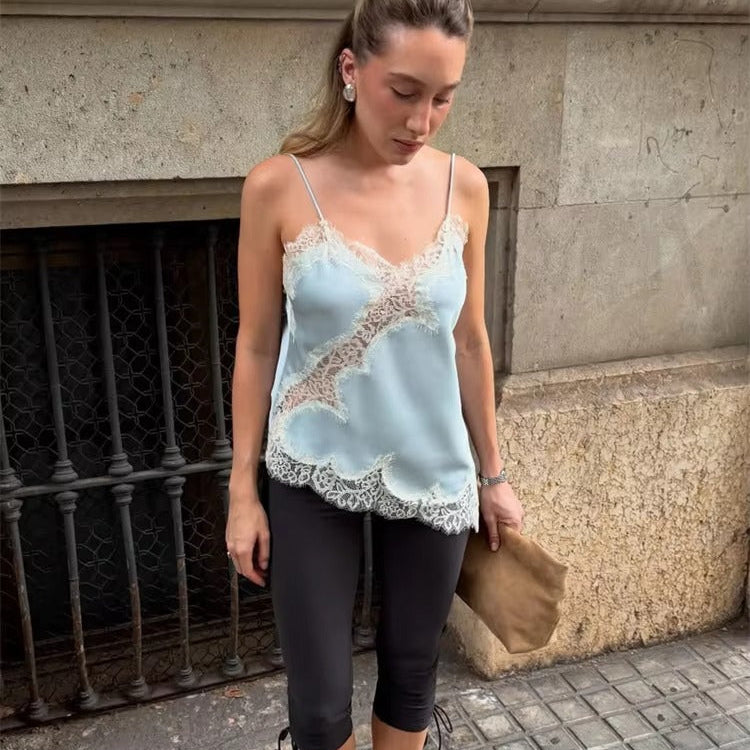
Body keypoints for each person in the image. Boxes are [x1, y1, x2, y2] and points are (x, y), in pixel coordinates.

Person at [225, 1, 525, 748]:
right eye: (404, 91)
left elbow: (470, 341)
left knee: (413, 674)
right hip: (312, 463)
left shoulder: (465, 186)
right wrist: (241, 492)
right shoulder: (278, 187)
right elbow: (256, 345)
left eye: (444, 98)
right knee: (318, 707)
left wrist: (493, 475)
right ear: (352, 70)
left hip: (434, 469)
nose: (422, 121)